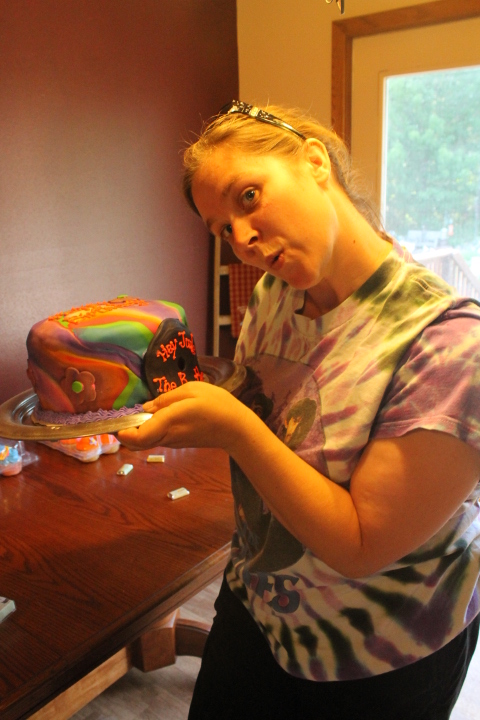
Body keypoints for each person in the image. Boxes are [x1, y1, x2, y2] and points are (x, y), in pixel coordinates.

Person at [118, 101, 480, 719]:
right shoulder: (274, 296)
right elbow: (272, 421)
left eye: (249, 197)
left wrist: (233, 427)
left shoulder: (449, 343)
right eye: (222, 230)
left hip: (377, 649)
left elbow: (361, 545)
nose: (241, 239)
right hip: (260, 603)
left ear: (315, 161)